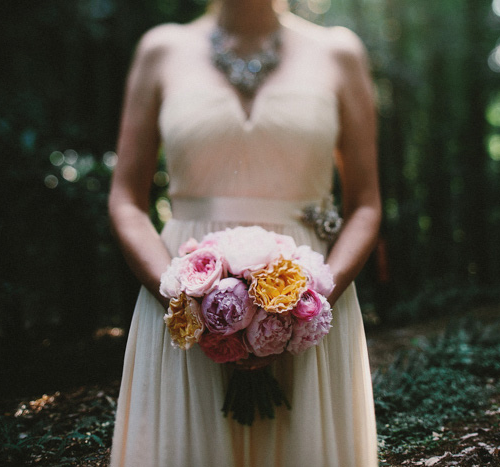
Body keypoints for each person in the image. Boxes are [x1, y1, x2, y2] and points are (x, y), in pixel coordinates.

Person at [107, 0, 381, 465]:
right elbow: (126, 201)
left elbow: (366, 206)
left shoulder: (338, 52)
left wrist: (309, 307)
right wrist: (184, 299)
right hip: (182, 303)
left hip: (310, 299)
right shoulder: (161, 50)